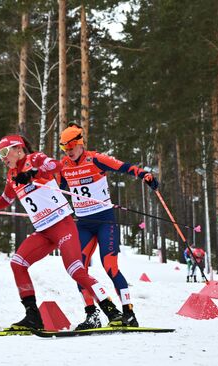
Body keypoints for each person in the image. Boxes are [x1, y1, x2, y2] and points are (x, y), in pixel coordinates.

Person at [0, 134, 124, 330]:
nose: (2, 158)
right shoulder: (11, 176)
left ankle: (113, 311)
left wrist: (33, 174)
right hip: (43, 231)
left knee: (76, 271)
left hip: (62, 225)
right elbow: (5, 199)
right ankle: (33, 316)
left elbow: (56, 166)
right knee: (17, 264)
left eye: (5, 152)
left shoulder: (33, 159)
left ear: (18, 149)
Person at [58, 123, 159, 330]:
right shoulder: (64, 166)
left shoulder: (95, 159)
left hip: (104, 220)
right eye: (64, 149)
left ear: (79, 144)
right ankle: (92, 315)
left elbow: (124, 167)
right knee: (79, 269)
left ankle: (128, 313)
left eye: (70, 148)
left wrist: (144, 175)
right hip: (83, 223)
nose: (68, 153)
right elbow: (56, 190)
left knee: (110, 266)